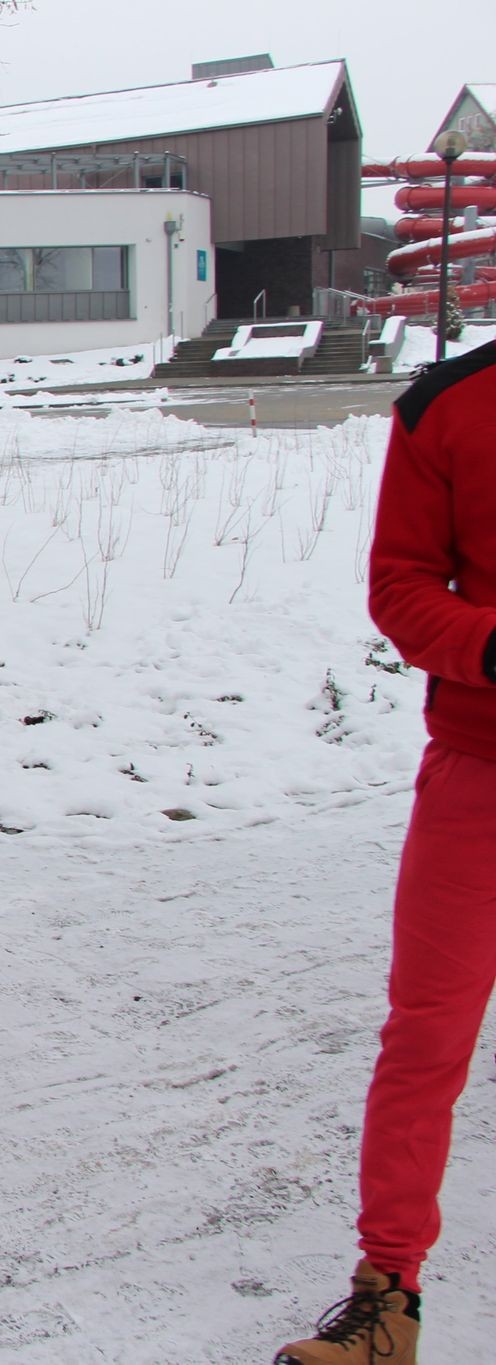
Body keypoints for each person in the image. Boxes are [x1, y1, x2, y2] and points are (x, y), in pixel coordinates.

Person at [274, 338, 496, 1364]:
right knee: (423, 1042)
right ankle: (386, 1298)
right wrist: (486, 645)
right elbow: (400, 584)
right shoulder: (446, 406)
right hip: (477, 768)